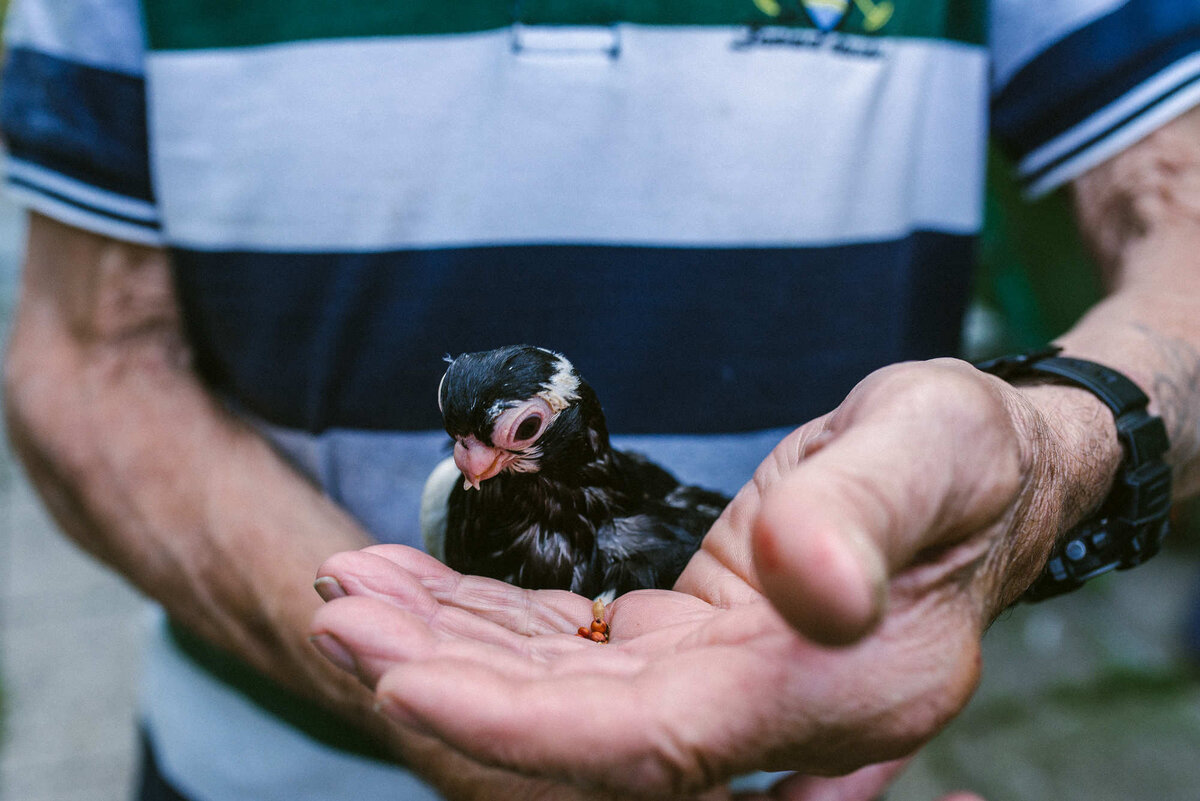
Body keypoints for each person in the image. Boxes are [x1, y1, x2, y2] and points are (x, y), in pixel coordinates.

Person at [2, 0, 1199, 799]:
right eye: (468, 443)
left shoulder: (634, 510)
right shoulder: (465, 494)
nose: (473, 467)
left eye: (509, 438)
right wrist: (374, 677)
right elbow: (81, 353)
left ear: (563, 421)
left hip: (809, 756)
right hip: (257, 770)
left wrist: (1051, 446)